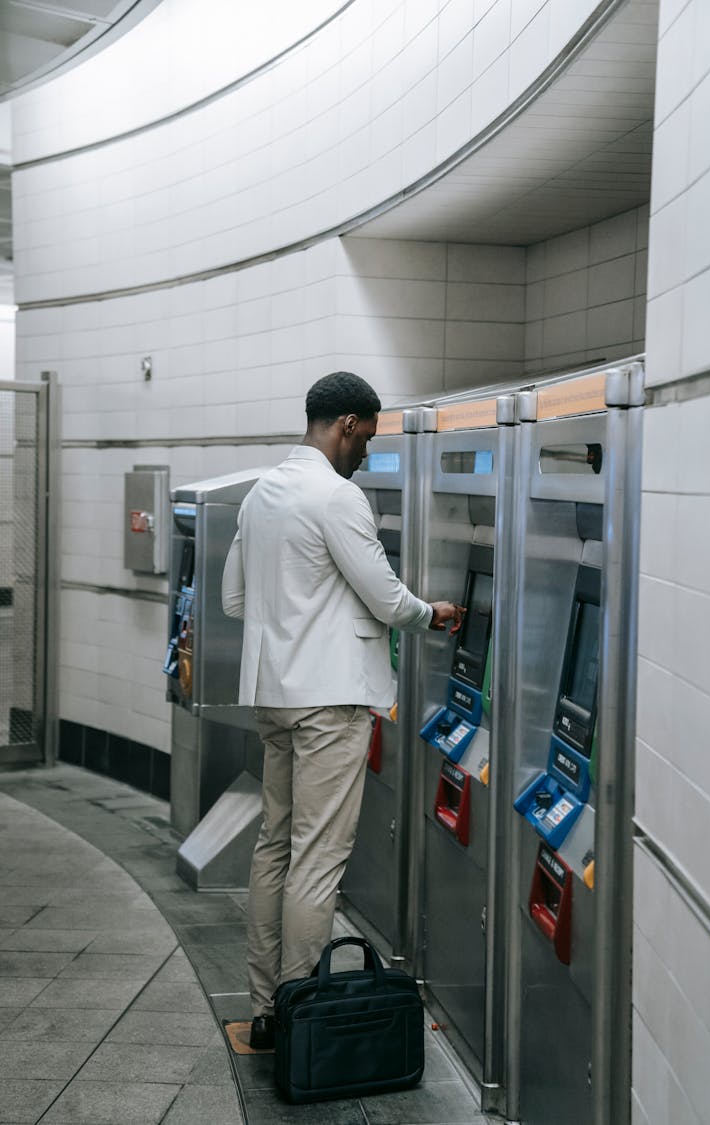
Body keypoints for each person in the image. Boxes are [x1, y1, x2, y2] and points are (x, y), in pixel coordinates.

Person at [221, 371, 464, 1051]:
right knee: (318, 858)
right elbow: (386, 598)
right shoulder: (337, 497)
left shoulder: (261, 493)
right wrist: (431, 613)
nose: (365, 455)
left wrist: (301, 609)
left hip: (275, 695)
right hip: (329, 702)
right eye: (367, 440)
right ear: (348, 423)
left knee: (274, 846)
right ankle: (304, 1012)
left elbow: (236, 601)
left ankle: (268, 1006)